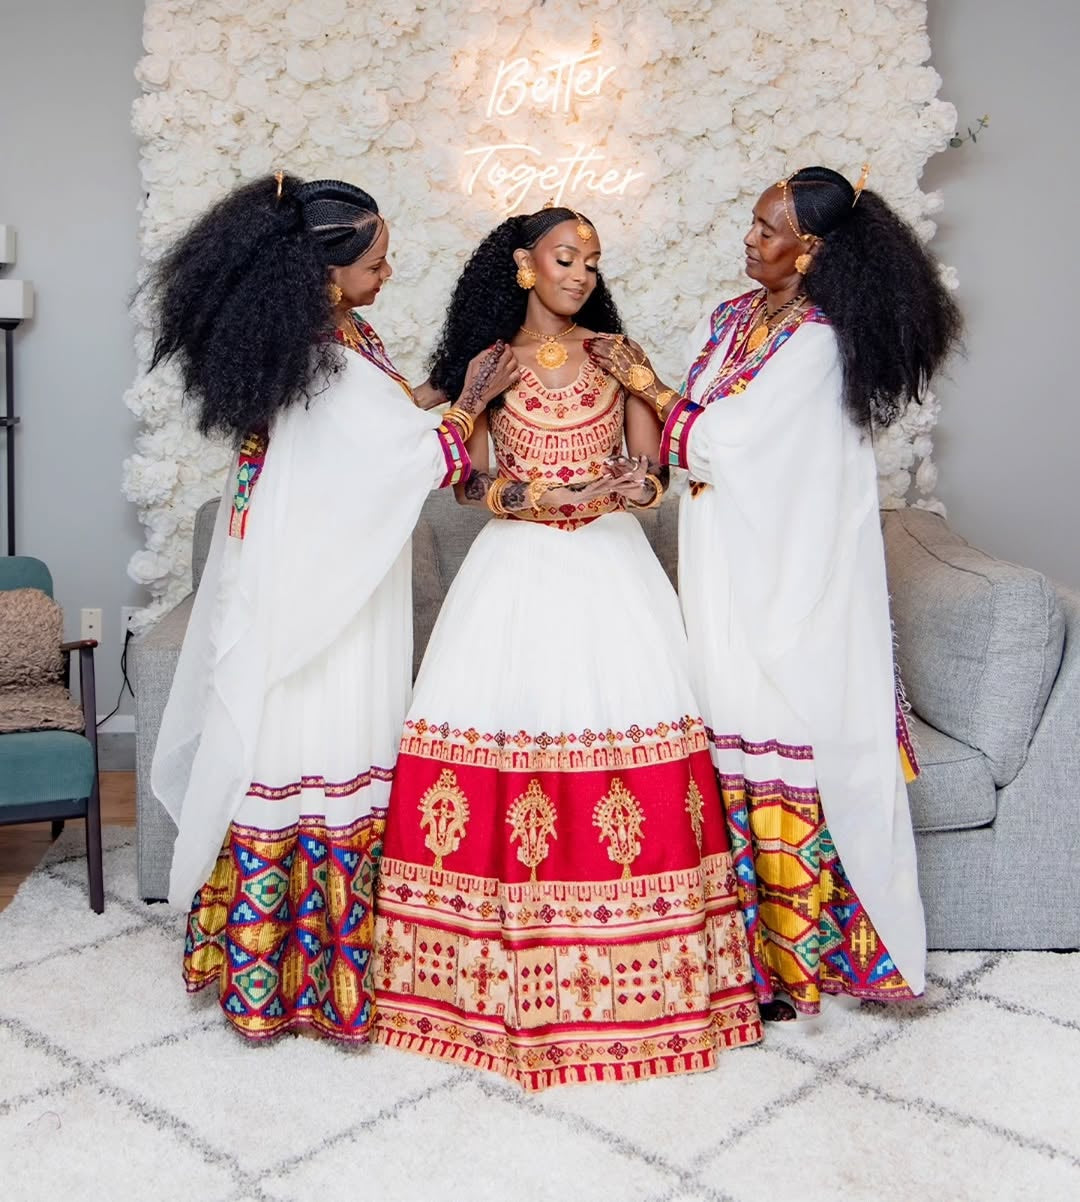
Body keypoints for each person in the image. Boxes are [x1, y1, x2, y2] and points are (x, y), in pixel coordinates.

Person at [370, 206, 762, 1090]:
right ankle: (477, 984)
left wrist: (633, 484)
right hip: (514, 569)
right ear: (522, 265)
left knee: (627, 731)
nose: (581, 274)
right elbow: (464, 482)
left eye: (591, 260)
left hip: (612, 570)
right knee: (510, 737)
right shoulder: (487, 365)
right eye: (564, 258)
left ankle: (640, 990)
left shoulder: (617, 356)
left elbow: (657, 473)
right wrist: (526, 499)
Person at [587, 166, 962, 1020]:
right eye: (752, 224)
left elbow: (722, 442)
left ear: (814, 249)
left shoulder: (824, 339)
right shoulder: (726, 320)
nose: (750, 240)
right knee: (723, 724)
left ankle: (806, 965)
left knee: (785, 722)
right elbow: (694, 444)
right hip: (724, 553)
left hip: (795, 569)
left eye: (767, 229)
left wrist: (641, 380)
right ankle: (737, 960)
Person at [149, 172, 517, 1041]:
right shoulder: (327, 352)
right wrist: (469, 403)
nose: (388, 272)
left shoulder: (330, 335)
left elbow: (381, 426)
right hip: (329, 593)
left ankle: (270, 958)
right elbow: (406, 459)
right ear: (327, 269)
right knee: (320, 740)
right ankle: (306, 976)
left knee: (298, 742)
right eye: (378, 261)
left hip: (325, 568)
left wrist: (438, 396)